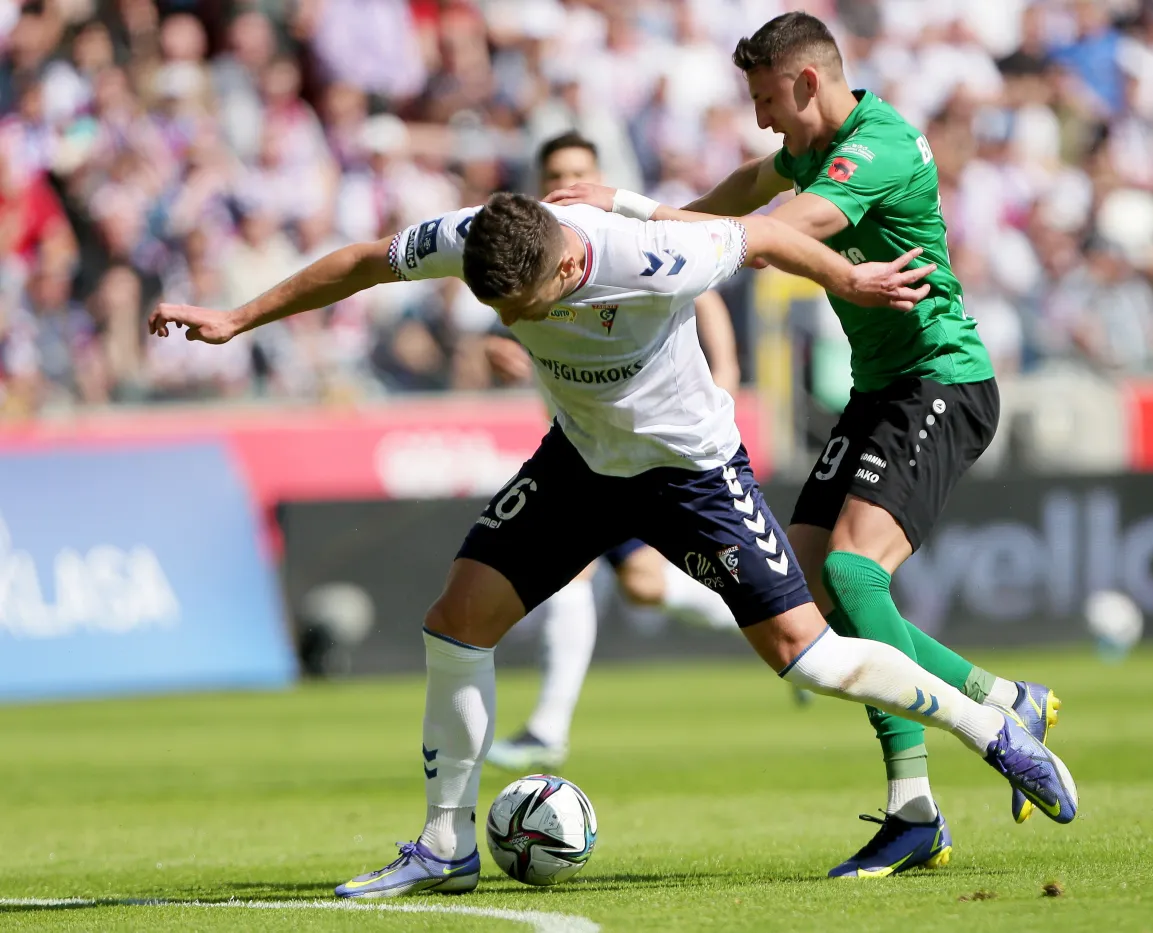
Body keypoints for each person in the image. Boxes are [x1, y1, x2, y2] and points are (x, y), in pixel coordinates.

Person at [149, 192, 1077, 899]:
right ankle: (444, 843)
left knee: (807, 655)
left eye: (520, 307)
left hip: (691, 474)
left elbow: (761, 236)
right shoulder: (481, 236)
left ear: (564, 272)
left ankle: (990, 725)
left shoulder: (657, 255)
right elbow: (361, 260)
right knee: (457, 617)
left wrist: (848, 279)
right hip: (583, 464)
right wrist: (237, 318)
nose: (511, 325)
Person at [546, 11, 1061, 879]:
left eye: (766, 98)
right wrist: (642, 227)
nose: (761, 118)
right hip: (881, 391)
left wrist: (629, 212)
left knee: (857, 576)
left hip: (942, 381)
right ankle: (1005, 701)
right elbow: (748, 187)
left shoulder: (878, 146)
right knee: (813, 589)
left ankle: (915, 810)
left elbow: (775, 235)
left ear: (810, 81)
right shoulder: (811, 145)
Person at [485, 131, 746, 773]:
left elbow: (703, 287)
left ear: (597, 176)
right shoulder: (532, 256)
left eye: (578, 170)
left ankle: (548, 728)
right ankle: (779, 628)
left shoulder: (630, 238)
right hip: (590, 445)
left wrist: (728, 374)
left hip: (651, 449)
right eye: (554, 172)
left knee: (602, 578)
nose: (566, 180)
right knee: (644, 587)